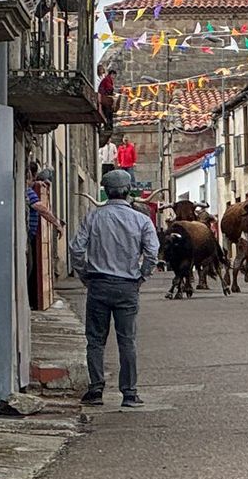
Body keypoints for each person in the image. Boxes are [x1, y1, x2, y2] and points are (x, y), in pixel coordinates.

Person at [70, 169, 158, 409]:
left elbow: (76, 248)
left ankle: (96, 390)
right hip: (127, 285)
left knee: (96, 340)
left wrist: (84, 273)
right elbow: (152, 252)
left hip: (98, 284)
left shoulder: (93, 217)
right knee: (127, 340)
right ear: (128, 191)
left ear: (106, 191)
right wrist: (142, 276)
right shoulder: (141, 219)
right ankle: (129, 393)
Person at [26, 166, 63, 313]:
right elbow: (41, 207)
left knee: (30, 267)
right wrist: (56, 223)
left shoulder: (30, 189)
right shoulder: (28, 191)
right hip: (28, 238)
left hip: (29, 237)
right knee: (29, 268)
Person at [97, 64, 116, 129]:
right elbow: (109, 88)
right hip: (104, 98)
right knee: (108, 112)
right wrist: (112, 92)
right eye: (114, 76)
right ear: (112, 74)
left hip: (104, 98)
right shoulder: (107, 79)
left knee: (108, 112)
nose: (114, 77)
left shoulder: (107, 79)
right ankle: (108, 125)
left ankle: (109, 125)